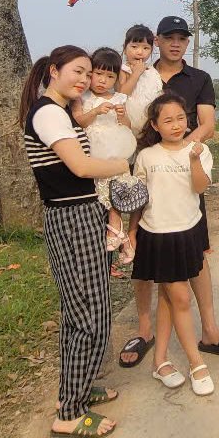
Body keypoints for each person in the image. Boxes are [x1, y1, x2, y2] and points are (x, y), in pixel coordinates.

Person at [116, 16, 219, 370]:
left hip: (183, 171)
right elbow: (118, 109)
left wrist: (176, 151)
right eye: (169, 38)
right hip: (141, 168)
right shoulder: (138, 74)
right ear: (156, 40)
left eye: (182, 38)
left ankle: (209, 329)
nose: (176, 43)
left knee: (197, 250)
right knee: (143, 249)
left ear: (187, 43)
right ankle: (145, 330)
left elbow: (206, 123)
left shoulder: (200, 79)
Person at [20, 45, 129, 438]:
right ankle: (69, 414)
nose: (85, 80)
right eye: (77, 72)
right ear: (54, 71)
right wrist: (124, 166)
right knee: (91, 317)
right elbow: (81, 167)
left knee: (79, 312)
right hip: (72, 218)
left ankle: (77, 391)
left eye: (89, 74)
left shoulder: (58, 112)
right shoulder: (49, 112)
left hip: (77, 214)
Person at [132, 93, 216, 397]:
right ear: (155, 125)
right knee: (180, 298)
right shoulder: (147, 157)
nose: (176, 125)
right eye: (168, 120)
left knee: (169, 298)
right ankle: (196, 362)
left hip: (187, 232)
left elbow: (200, 187)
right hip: (156, 235)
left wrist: (193, 160)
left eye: (181, 118)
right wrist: (131, 234)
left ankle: (160, 360)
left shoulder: (199, 150)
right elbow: (137, 199)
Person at [72, 47, 139, 274]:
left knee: (118, 192)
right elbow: (79, 122)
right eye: (99, 74)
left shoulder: (121, 97)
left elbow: (128, 126)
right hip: (94, 152)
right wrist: (96, 111)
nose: (103, 80)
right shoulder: (83, 97)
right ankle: (116, 237)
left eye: (110, 76)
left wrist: (122, 117)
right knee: (103, 192)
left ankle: (119, 234)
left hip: (117, 150)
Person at [117, 24, 163, 135]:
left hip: (150, 127)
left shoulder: (152, 72)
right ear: (125, 47)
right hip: (127, 126)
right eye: (134, 47)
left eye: (146, 48)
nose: (140, 52)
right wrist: (136, 73)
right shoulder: (123, 69)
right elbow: (122, 94)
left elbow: (159, 95)